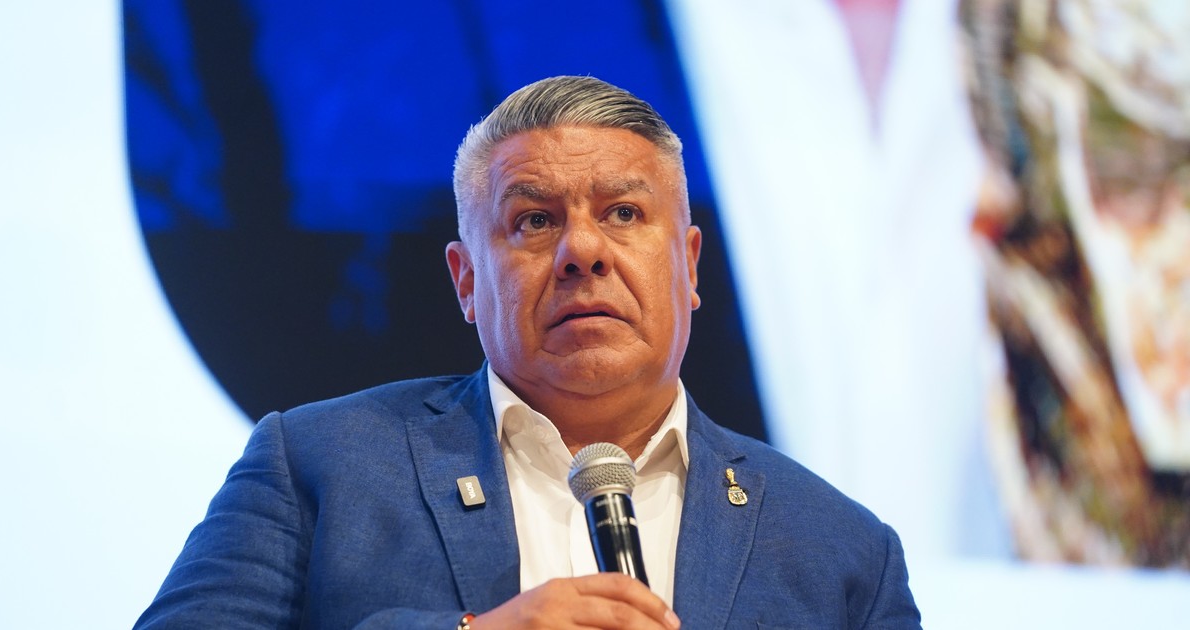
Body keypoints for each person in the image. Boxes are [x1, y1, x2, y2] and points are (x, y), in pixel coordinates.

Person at [135, 76, 921, 629]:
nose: (584, 251)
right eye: (535, 221)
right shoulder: (315, 466)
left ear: (688, 266)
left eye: (623, 212)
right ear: (467, 280)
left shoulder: (843, 549)